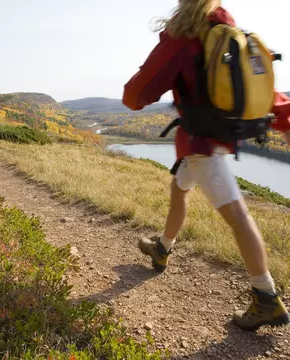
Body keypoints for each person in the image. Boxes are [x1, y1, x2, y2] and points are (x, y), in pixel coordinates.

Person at [122, 0, 290, 332]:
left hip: (202, 145)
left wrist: (135, 95)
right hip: (213, 141)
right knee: (179, 186)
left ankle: (266, 296)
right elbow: (264, 92)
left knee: (238, 215)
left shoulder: (185, 34)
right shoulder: (230, 35)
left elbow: (137, 93)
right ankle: (162, 247)